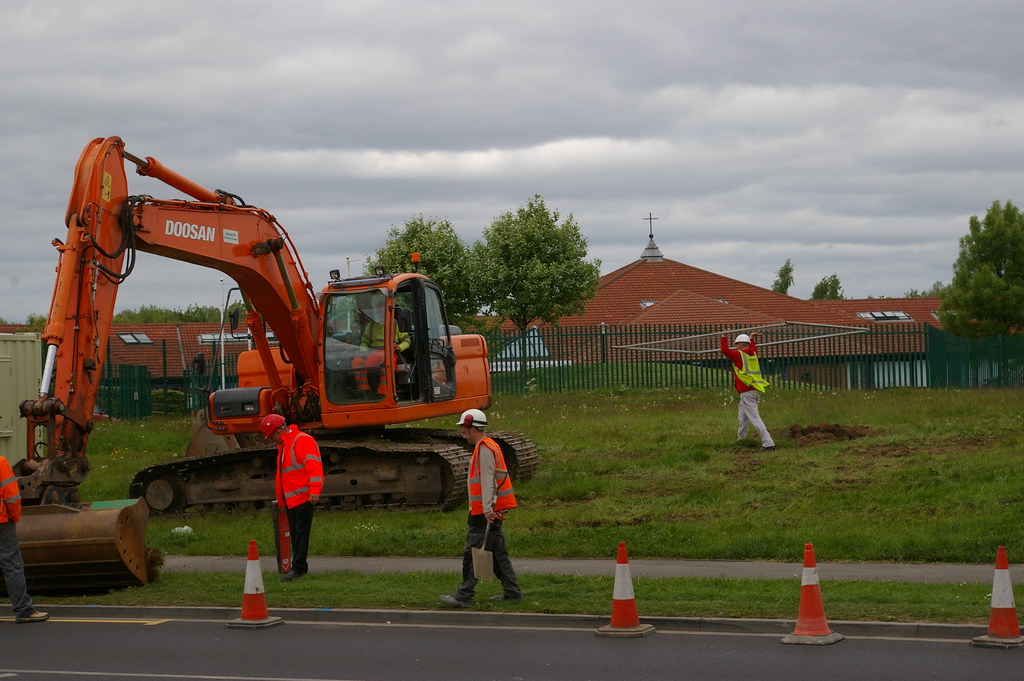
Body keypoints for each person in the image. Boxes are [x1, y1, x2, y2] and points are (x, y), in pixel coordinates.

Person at [440, 409, 522, 607]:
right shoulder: (487, 446)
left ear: (472, 427)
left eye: (464, 427)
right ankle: (512, 592)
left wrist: (486, 510)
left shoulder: (485, 448)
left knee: (473, 554)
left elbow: (487, 481)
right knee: (498, 555)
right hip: (491, 510)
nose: (461, 430)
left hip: (484, 513)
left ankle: (463, 595)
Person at [263, 414, 323, 582]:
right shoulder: (285, 444)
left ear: (278, 431)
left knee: (300, 534)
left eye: (271, 436)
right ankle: (298, 567)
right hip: (292, 499)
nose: (271, 440)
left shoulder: (301, 440)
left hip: (303, 497)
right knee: (296, 534)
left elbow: (314, 467)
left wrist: (315, 490)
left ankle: (298, 568)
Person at [0, 455, 48, 623]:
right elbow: (12, 496)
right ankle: (24, 609)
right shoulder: (0, 462)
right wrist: (15, 517)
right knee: (12, 565)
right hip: (1, 523)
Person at [720, 332, 776, 451]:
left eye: (736, 345)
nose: (736, 347)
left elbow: (725, 350)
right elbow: (753, 347)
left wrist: (723, 336)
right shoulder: (752, 354)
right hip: (753, 390)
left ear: (740, 345)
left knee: (754, 417)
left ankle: (768, 443)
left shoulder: (739, 355)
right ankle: (742, 439)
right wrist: (752, 338)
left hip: (747, 391)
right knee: (743, 416)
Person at [351, 294, 410, 397]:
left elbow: (407, 341)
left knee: (386, 364)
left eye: (382, 310)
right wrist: (364, 352)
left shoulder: (396, 324)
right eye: (378, 310)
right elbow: (364, 341)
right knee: (357, 362)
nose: (380, 312)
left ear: (389, 310)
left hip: (390, 352)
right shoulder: (372, 325)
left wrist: (399, 347)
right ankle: (364, 391)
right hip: (373, 352)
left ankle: (384, 392)